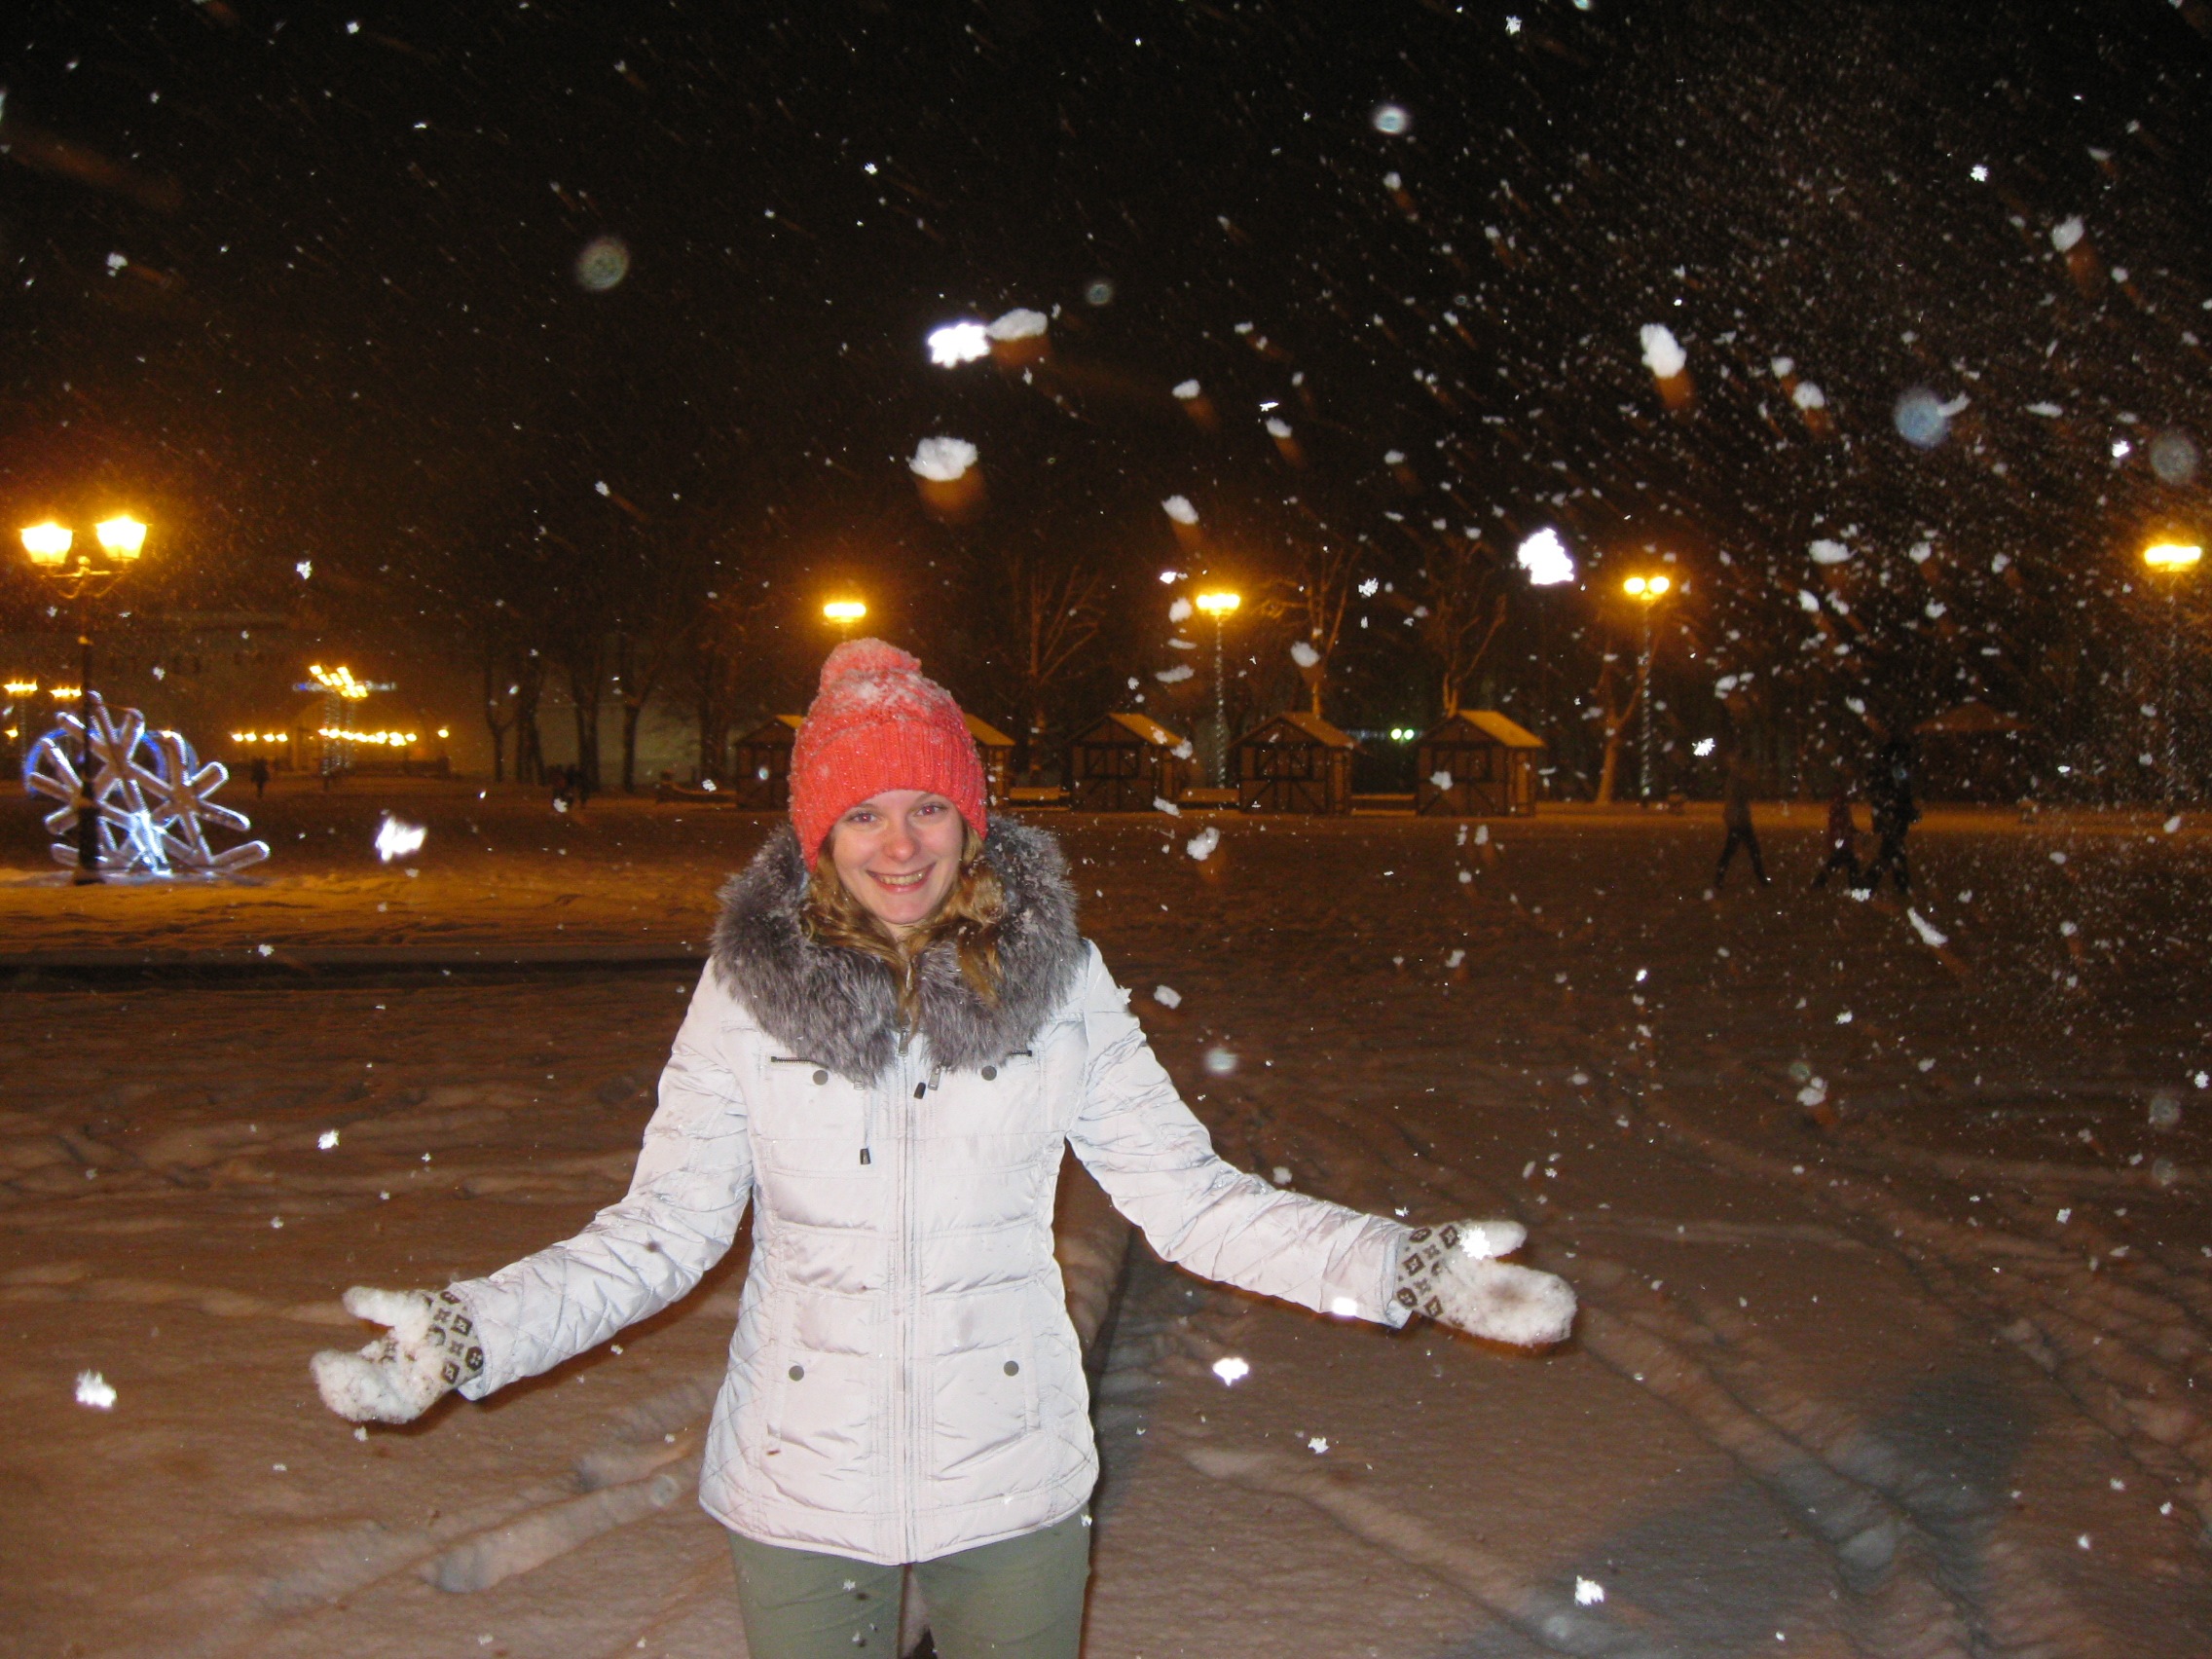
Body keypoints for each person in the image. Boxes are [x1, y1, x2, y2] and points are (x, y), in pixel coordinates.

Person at [309, 641, 1575, 1659]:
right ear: (818, 831)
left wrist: (1403, 1269)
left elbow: (1192, 1201)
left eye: (927, 806)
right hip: (799, 1481)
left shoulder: (1059, 983)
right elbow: (661, 1234)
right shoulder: (745, 996)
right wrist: (473, 1334)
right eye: (862, 812)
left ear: (970, 817)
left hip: (1010, 1468)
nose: (901, 845)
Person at [1858, 739, 1919, 896]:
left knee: (1895, 851)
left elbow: (1884, 795)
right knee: (1890, 852)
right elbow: (1902, 794)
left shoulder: (1884, 771)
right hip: (1894, 818)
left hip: (1888, 817)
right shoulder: (1897, 771)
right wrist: (1907, 811)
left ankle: (1900, 884)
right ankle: (1873, 881)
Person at [1711, 751, 1768, 888]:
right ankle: (1761, 878)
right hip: (1739, 820)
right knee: (1750, 850)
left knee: (1733, 850)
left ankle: (1720, 877)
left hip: (1737, 819)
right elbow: (1742, 796)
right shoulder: (1738, 779)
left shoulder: (1735, 778)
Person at [1811, 780, 1860, 890]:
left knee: (1836, 863)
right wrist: (1845, 833)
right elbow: (1841, 824)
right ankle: (1854, 884)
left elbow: (1843, 823)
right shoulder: (1840, 807)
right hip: (1841, 841)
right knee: (1848, 863)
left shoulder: (1839, 807)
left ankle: (1820, 882)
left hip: (1840, 841)